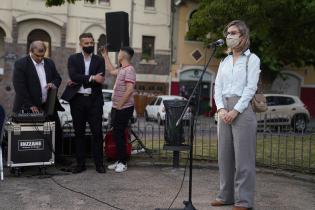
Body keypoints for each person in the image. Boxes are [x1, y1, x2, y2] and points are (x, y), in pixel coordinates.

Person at [212, 20, 261, 210]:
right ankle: (225, 196)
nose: (228, 36)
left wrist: (235, 110)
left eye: (233, 33)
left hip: (243, 109)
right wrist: (221, 109)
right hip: (224, 109)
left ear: (243, 36)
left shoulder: (252, 59)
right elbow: (218, 87)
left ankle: (244, 201)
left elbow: (250, 89)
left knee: (244, 159)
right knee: (224, 156)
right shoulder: (224, 61)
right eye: (228, 33)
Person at [12, 40, 66, 165]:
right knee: (29, 133)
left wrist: (53, 84)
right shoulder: (21, 64)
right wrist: (31, 105)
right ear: (30, 52)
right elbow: (20, 87)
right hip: (28, 105)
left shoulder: (49, 63)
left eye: (43, 55)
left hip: (48, 104)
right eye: (38, 55)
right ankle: (27, 159)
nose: (40, 58)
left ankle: (58, 158)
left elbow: (58, 78)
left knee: (56, 130)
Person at [61, 33, 106, 174]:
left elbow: (101, 80)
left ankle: (99, 164)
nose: (90, 45)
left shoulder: (99, 60)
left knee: (97, 133)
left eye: (91, 43)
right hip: (78, 100)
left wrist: (82, 79)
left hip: (94, 100)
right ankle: (80, 164)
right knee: (79, 133)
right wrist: (92, 77)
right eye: (86, 43)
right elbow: (73, 76)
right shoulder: (73, 58)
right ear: (81, 44)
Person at [101, 46, 136, 173]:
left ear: (123, 55)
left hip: (124, 108)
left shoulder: (130, 70)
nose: (118, 53)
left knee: (120, 135)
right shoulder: (122, 69)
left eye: (119, 52)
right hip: (117, 107)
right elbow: (111, 71)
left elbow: (130, 89)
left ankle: (123, 162)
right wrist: (105, 55)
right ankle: (119, 160)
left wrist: (120, 104)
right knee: (117, 134)